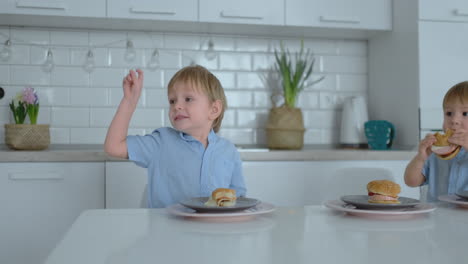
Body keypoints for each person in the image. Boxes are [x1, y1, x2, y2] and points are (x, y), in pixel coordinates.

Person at [104, 65, 246, 208]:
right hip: (166, 229)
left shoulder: (229, 151)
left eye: (188, 99)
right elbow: (113, 147)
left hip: (215, 229)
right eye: (172, 101)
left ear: (214, 109)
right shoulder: (160, 143)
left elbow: (238, 200)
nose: (176, 106)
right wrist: (130, 101)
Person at [404, 81, 468, 202]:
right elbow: (411, 182)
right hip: (438, 217)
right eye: (449, 113)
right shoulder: (436, 151)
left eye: (465, 113)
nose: (454, 120)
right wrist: (421, 157)